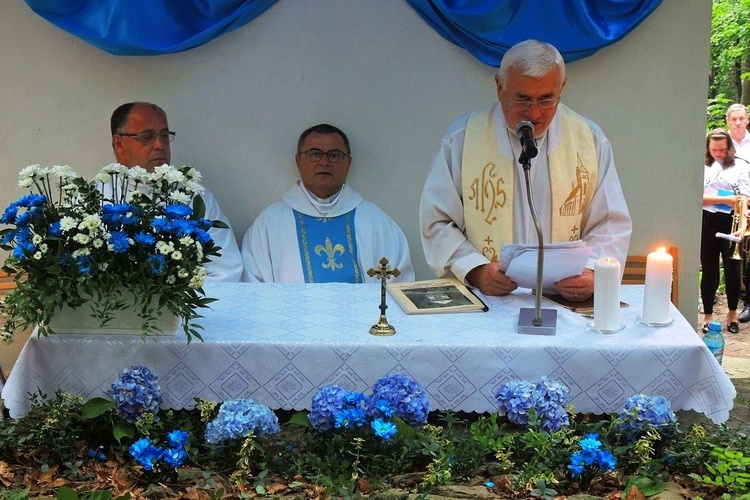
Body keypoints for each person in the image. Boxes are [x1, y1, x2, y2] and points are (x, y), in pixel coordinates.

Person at [419, 39, 631, 302]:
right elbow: (437, 221)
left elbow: (611, 222)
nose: (534, 113)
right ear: (500, 87)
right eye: (522, 99)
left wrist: (591, 272)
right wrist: (476, 270)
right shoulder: (462, 139)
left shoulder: (588, 139)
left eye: (546, 99)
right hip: (490, 301)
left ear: (561, 88)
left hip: (562, 302)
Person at [241, 123, 414, 283]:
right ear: (298, 161)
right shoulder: (269, 225)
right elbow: (254, 289)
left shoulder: (377, 223)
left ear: (348, 162)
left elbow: (399, 285)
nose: (324, 162)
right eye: (315, 154)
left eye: (334, 155)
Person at [110, 102, 243, 282]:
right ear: (119, 144)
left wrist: (173, 302)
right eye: (147, 136)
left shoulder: (194, 196)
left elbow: (227, 270)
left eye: (164, 135)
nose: (160, 145)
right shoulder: (93, 197)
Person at [701, 128, 750, 334]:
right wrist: (724, 199)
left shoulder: (740, 166)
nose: (718, 154)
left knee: (732, 270)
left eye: (722, 149)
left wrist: (743, 227)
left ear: (729, 147)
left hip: (732, 220)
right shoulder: (702, 165)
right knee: (710, 269)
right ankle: (708, 315)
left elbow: (745, 199)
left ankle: (732, 314)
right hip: (708, 219)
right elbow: (697, 197)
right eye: (714, 150)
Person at [725, 104, 750, 322]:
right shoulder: (721, 144)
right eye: (734, 119)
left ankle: (748, 302)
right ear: (728, 122)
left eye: (741, 118)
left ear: (747, 119)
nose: (738, 123)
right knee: (732, 254)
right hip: (728, 207)